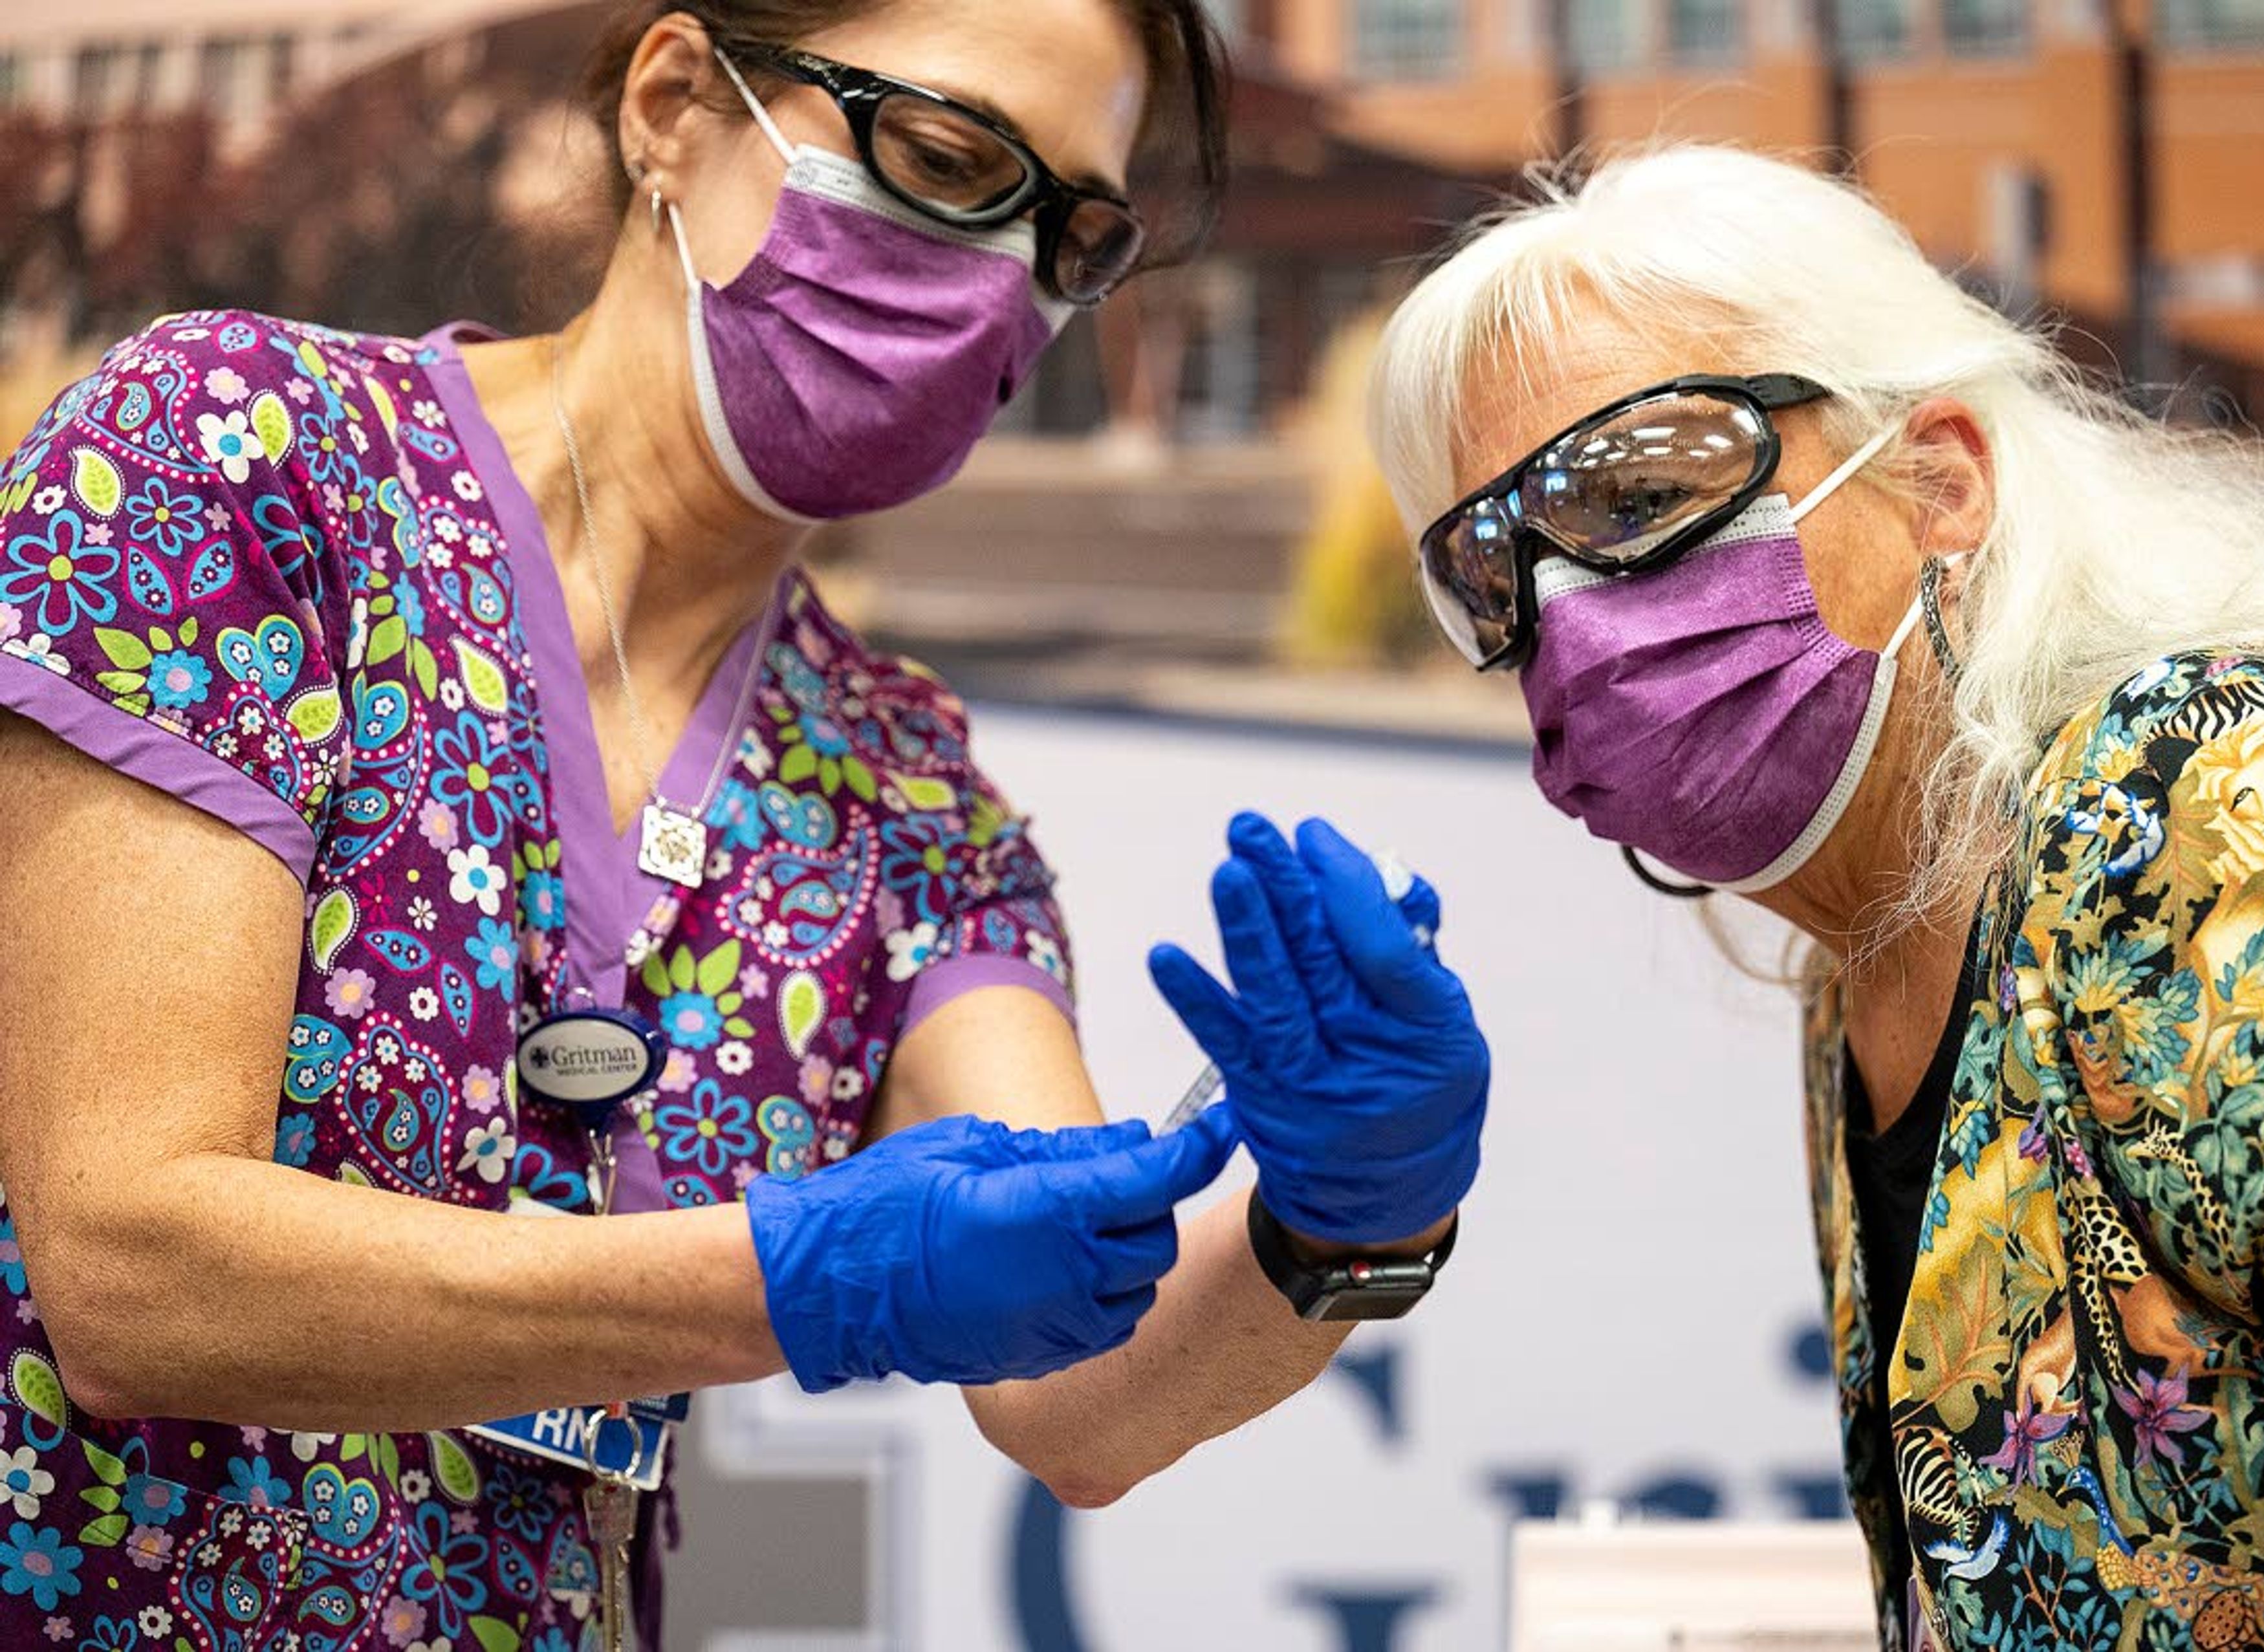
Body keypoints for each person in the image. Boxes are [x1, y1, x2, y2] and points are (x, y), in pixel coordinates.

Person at [0, 3, 1490, 1647]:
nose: (1002, 280)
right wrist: (792, 1276)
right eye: (944, 162)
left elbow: (1081, 1400)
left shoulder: (904, 792)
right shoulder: (237, 465)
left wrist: (1342, 1218)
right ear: (675, 105)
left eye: (1074, 237)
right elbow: (134, 1265)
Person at [1366, 141, 2264, 1650]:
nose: (1564, 604)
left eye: (1642, 487)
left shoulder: (2210, 810)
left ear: (1940, 475)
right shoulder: (1865, 969)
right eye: (1490, 567)